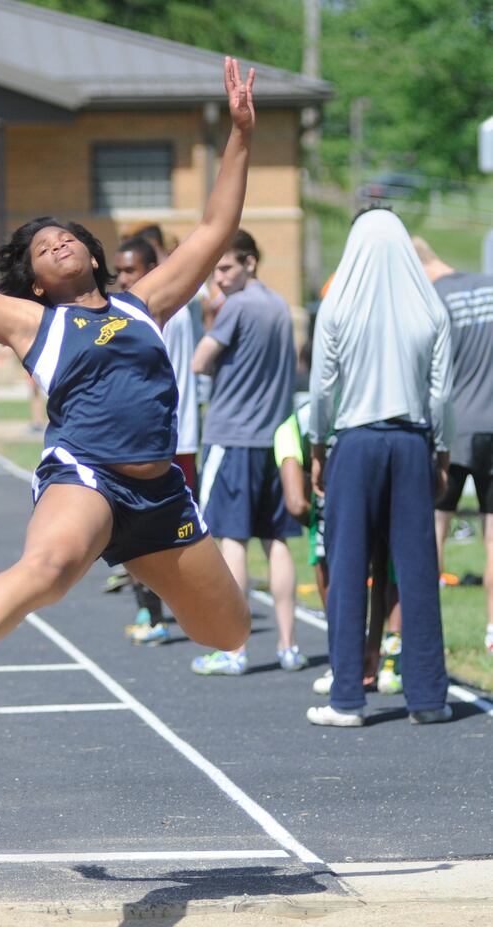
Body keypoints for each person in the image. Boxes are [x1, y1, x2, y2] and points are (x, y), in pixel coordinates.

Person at [0, 57, 256, 697]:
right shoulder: (32, 323)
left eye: (66, 238)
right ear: (37, 281)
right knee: (53, 566)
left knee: (228, 632)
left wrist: (239, 133)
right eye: (44, 249)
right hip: (86, 476)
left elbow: (214, 227)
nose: (58, 244)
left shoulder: (143, 303)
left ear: (93, 254)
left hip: (162, 492)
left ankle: (146, 578)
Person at [308, 208, 453, 727]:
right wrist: (441, 452)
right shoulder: (430, 310)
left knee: (347, 568)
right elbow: (441, 397)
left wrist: (316, 447)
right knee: (417, 571)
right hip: (413, 441)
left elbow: (323, 390)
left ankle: (347, 697)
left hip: (356, 439)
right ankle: (429, 697)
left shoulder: (338, 305)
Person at [190, 229, 307, 676]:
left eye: (225, 268)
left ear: (250, 263)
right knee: (277, 542)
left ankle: (234, 651)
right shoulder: (280, 307)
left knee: (232, 541)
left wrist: (211, 322)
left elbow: (200, 361)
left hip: (234, 438)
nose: (218, 278)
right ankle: (289, 645)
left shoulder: (235, 307)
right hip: (276, 441)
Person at [273, 399, 403, 696]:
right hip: (378, 442)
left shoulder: (290, 429)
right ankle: (381, 660)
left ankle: (352, 659)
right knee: (385, 563)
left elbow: (295, 504)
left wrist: (329, 531)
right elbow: (296, 504)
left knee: (335, 564)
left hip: (353, 466)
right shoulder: (292, 431)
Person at [113, 234, 200, 645]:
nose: (123, 279)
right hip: (167, 437)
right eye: (119, 272)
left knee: (149, 532)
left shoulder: (152, 314)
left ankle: (156, 614)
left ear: (152, 271)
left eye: (130, 270)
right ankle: (160, 611)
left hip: (161, 439)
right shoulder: (165, 310)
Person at [413, 236, 493, 655]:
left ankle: (429, 633)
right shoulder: (488, 284)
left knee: (435, 531)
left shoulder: (433, 299)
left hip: (454, 428)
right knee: (492, 539)